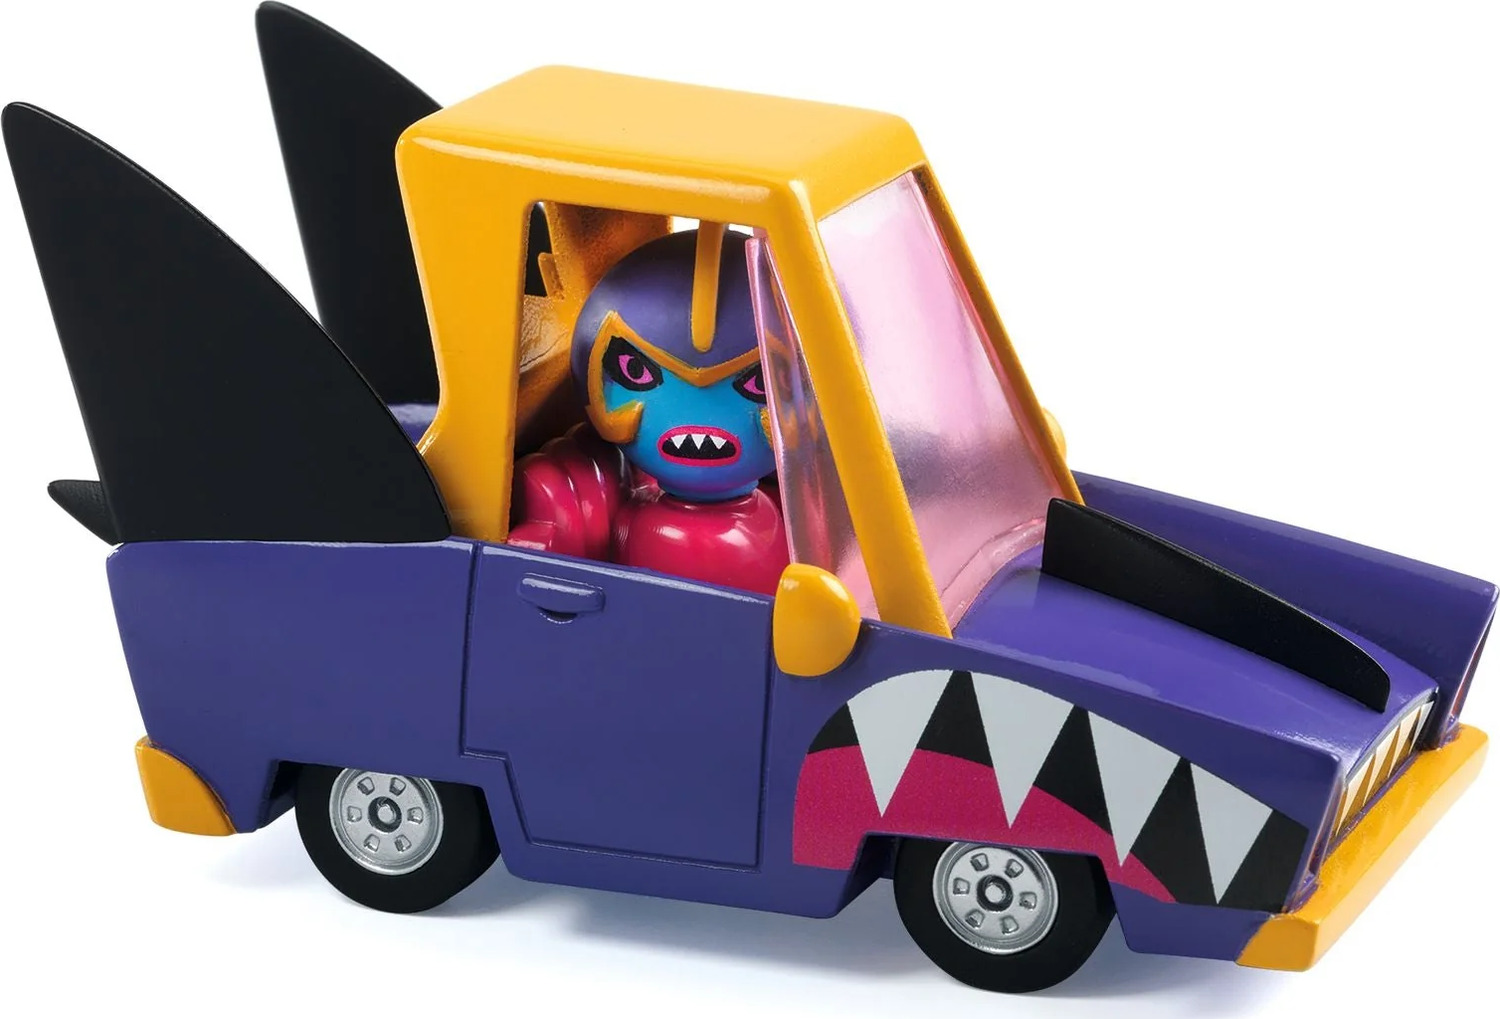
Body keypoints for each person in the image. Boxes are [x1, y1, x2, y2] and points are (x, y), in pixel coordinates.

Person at [508, 225, 789, 595]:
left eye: (759, 384)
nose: (698, 422)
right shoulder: (651, 528)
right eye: (637, 372)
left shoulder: (793, 508)